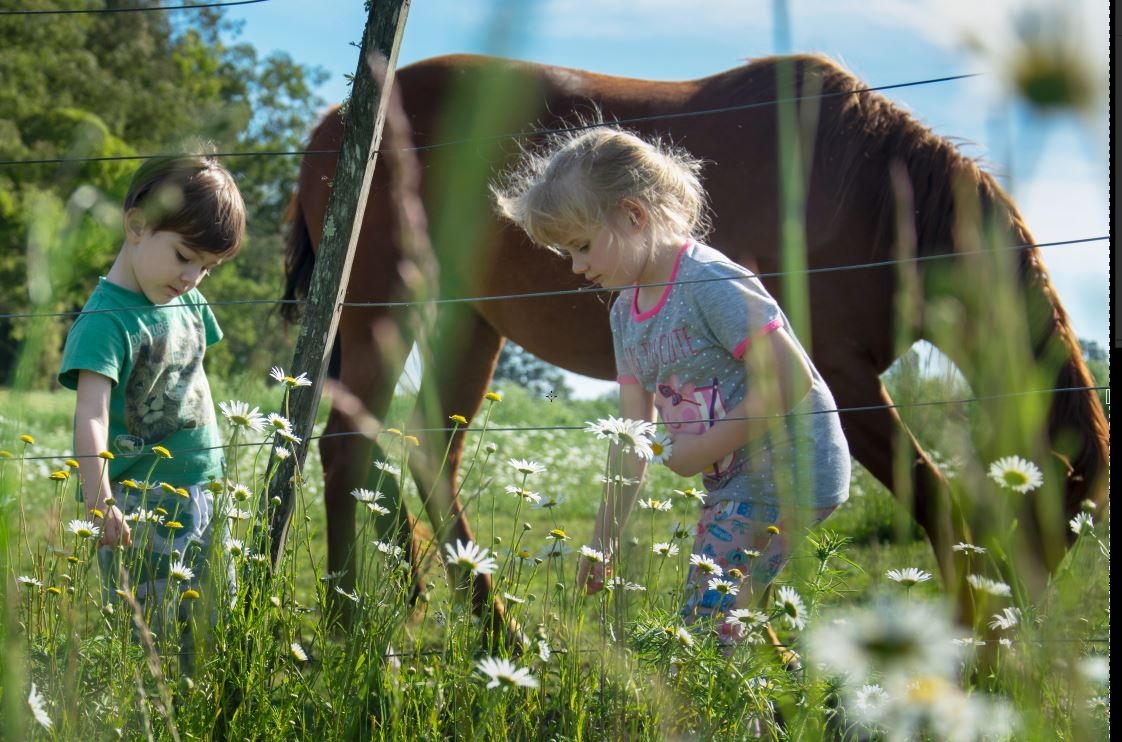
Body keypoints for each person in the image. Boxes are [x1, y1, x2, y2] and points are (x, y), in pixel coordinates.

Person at [492, 126, 850, 651]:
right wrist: (603, 540)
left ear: (633, 215)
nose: (577, 267)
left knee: (706, 622)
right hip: (734, 484)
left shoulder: (708, 281)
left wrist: (697, 451)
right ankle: (780, 711)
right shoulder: (625, 316)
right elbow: (633, 437)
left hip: (791, 467)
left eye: (583, 246)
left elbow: (790, 377)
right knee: (728, 617)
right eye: (568, 253)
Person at [58, 151, 245, 665]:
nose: (191, 278)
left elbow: (192, 374)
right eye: (185, 256)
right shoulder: (105, 322)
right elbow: (91, 416)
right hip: (144, 504)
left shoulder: (186, 302)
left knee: (214, 624)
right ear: (137, 225)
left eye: (207, 268)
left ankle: (206, 714)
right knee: (153, 637)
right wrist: (100, 502)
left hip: (207, 488)